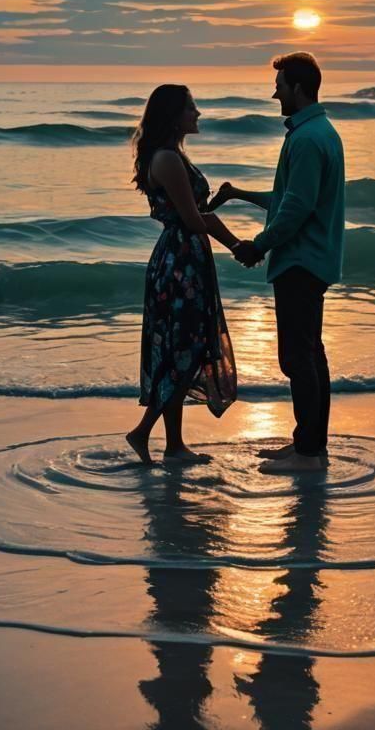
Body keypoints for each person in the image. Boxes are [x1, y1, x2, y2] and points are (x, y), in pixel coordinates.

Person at [210, 53, 345, 474]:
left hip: (300, 261)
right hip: (312, 257)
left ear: (299, 89)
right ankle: (308, 446)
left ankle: (308, 454)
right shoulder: (320, 133)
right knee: (310, 354)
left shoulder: (306, 140)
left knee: (297, 358)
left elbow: (297, 208)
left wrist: (259, 245)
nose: (275, 93)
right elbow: (288, 199)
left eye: (281, 85)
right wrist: (239, 195)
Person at [126, 84, 242, 465]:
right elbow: (193, 219)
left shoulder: (172, 156)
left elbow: (191, 209)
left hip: (184, 257)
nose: (198, 113)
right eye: (191, 107)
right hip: (180, 263)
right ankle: (143, 432)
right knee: (185, 350)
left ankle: (174, 446)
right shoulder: (168, 159)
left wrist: (220, 200)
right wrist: (238, 245)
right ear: (174, 114)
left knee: (182, 349)